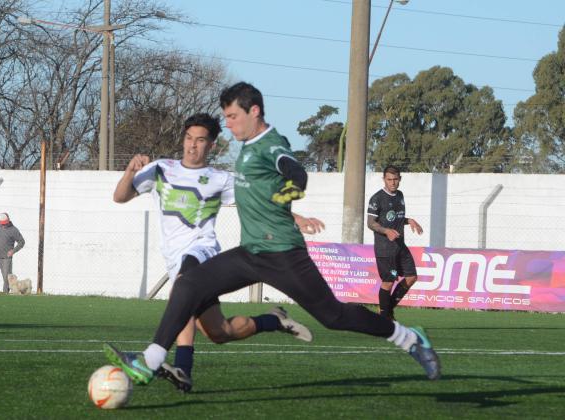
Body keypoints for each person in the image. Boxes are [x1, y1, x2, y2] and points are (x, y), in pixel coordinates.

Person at [103, 82, 441, 386]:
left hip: (282, 256)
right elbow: (258, 196)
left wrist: (293, 187)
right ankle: (150, 361)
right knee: (189, 284)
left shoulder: (270, 144)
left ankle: (409, 338)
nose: (230, 124)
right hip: (251, 253)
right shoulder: (247, 149)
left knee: (334, 317)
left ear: (254, 112)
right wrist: (293, 214)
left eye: (233, 116)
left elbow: (291, 168)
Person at [113, 112, 324, 392]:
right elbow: (120, 197)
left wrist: (296, 218)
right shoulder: (161, 169)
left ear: (212, 145)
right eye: (189, 138)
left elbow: (259, 201)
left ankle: (175, 367)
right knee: (219, 332)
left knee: (182, 291)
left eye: (200, 140)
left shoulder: (220, 179)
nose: (192, 145)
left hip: (202, 251)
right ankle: (273, 320)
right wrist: (130, 171)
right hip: (173, 258)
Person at [367, 166, 424, 320]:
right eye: (389, 179)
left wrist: (409, 220)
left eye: (395, 179)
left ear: (400, 179)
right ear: (384, 179)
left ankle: (386, 310)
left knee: (411, 277)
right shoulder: (377, 198)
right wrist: (386, 231)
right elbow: (371, 223)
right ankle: (385, 318)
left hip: (400, 245)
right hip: (385, 248)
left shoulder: (400, 195)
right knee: (388, 282)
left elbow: (396, 218)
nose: (392, 182)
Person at [0, 212, 25, 293]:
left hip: (6, 258)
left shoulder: (14, 230)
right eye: (2, 223)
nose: (3, 225)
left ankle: (5, 293)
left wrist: (13, 251)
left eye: (5, 223)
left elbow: (22, 242)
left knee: (7, 278)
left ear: (8, 219)